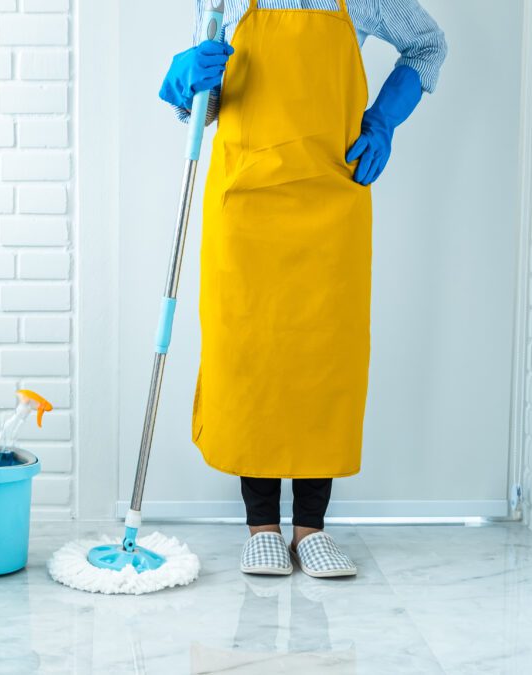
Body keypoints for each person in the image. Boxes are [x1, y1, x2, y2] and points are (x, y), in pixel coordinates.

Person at [160, 0, 447, 578]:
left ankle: (311, 529)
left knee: (324, 359)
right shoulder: (223, 3)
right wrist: (185, 78)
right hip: (245, 203)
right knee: (250, 358)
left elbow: (428, 44)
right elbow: (201, 111)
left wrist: (382, 121)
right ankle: (262, 527)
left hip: (329, 199)